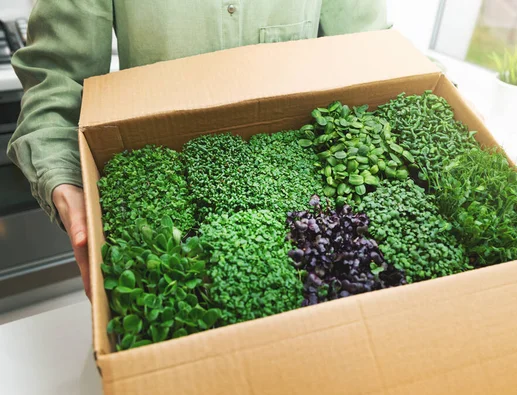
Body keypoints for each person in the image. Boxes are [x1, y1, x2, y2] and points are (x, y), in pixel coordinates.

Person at [8, 0, 390, 298]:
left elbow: (371, 54)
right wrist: (64, 178)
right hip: (157, 161)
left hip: (297, 154)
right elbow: (55, 77)